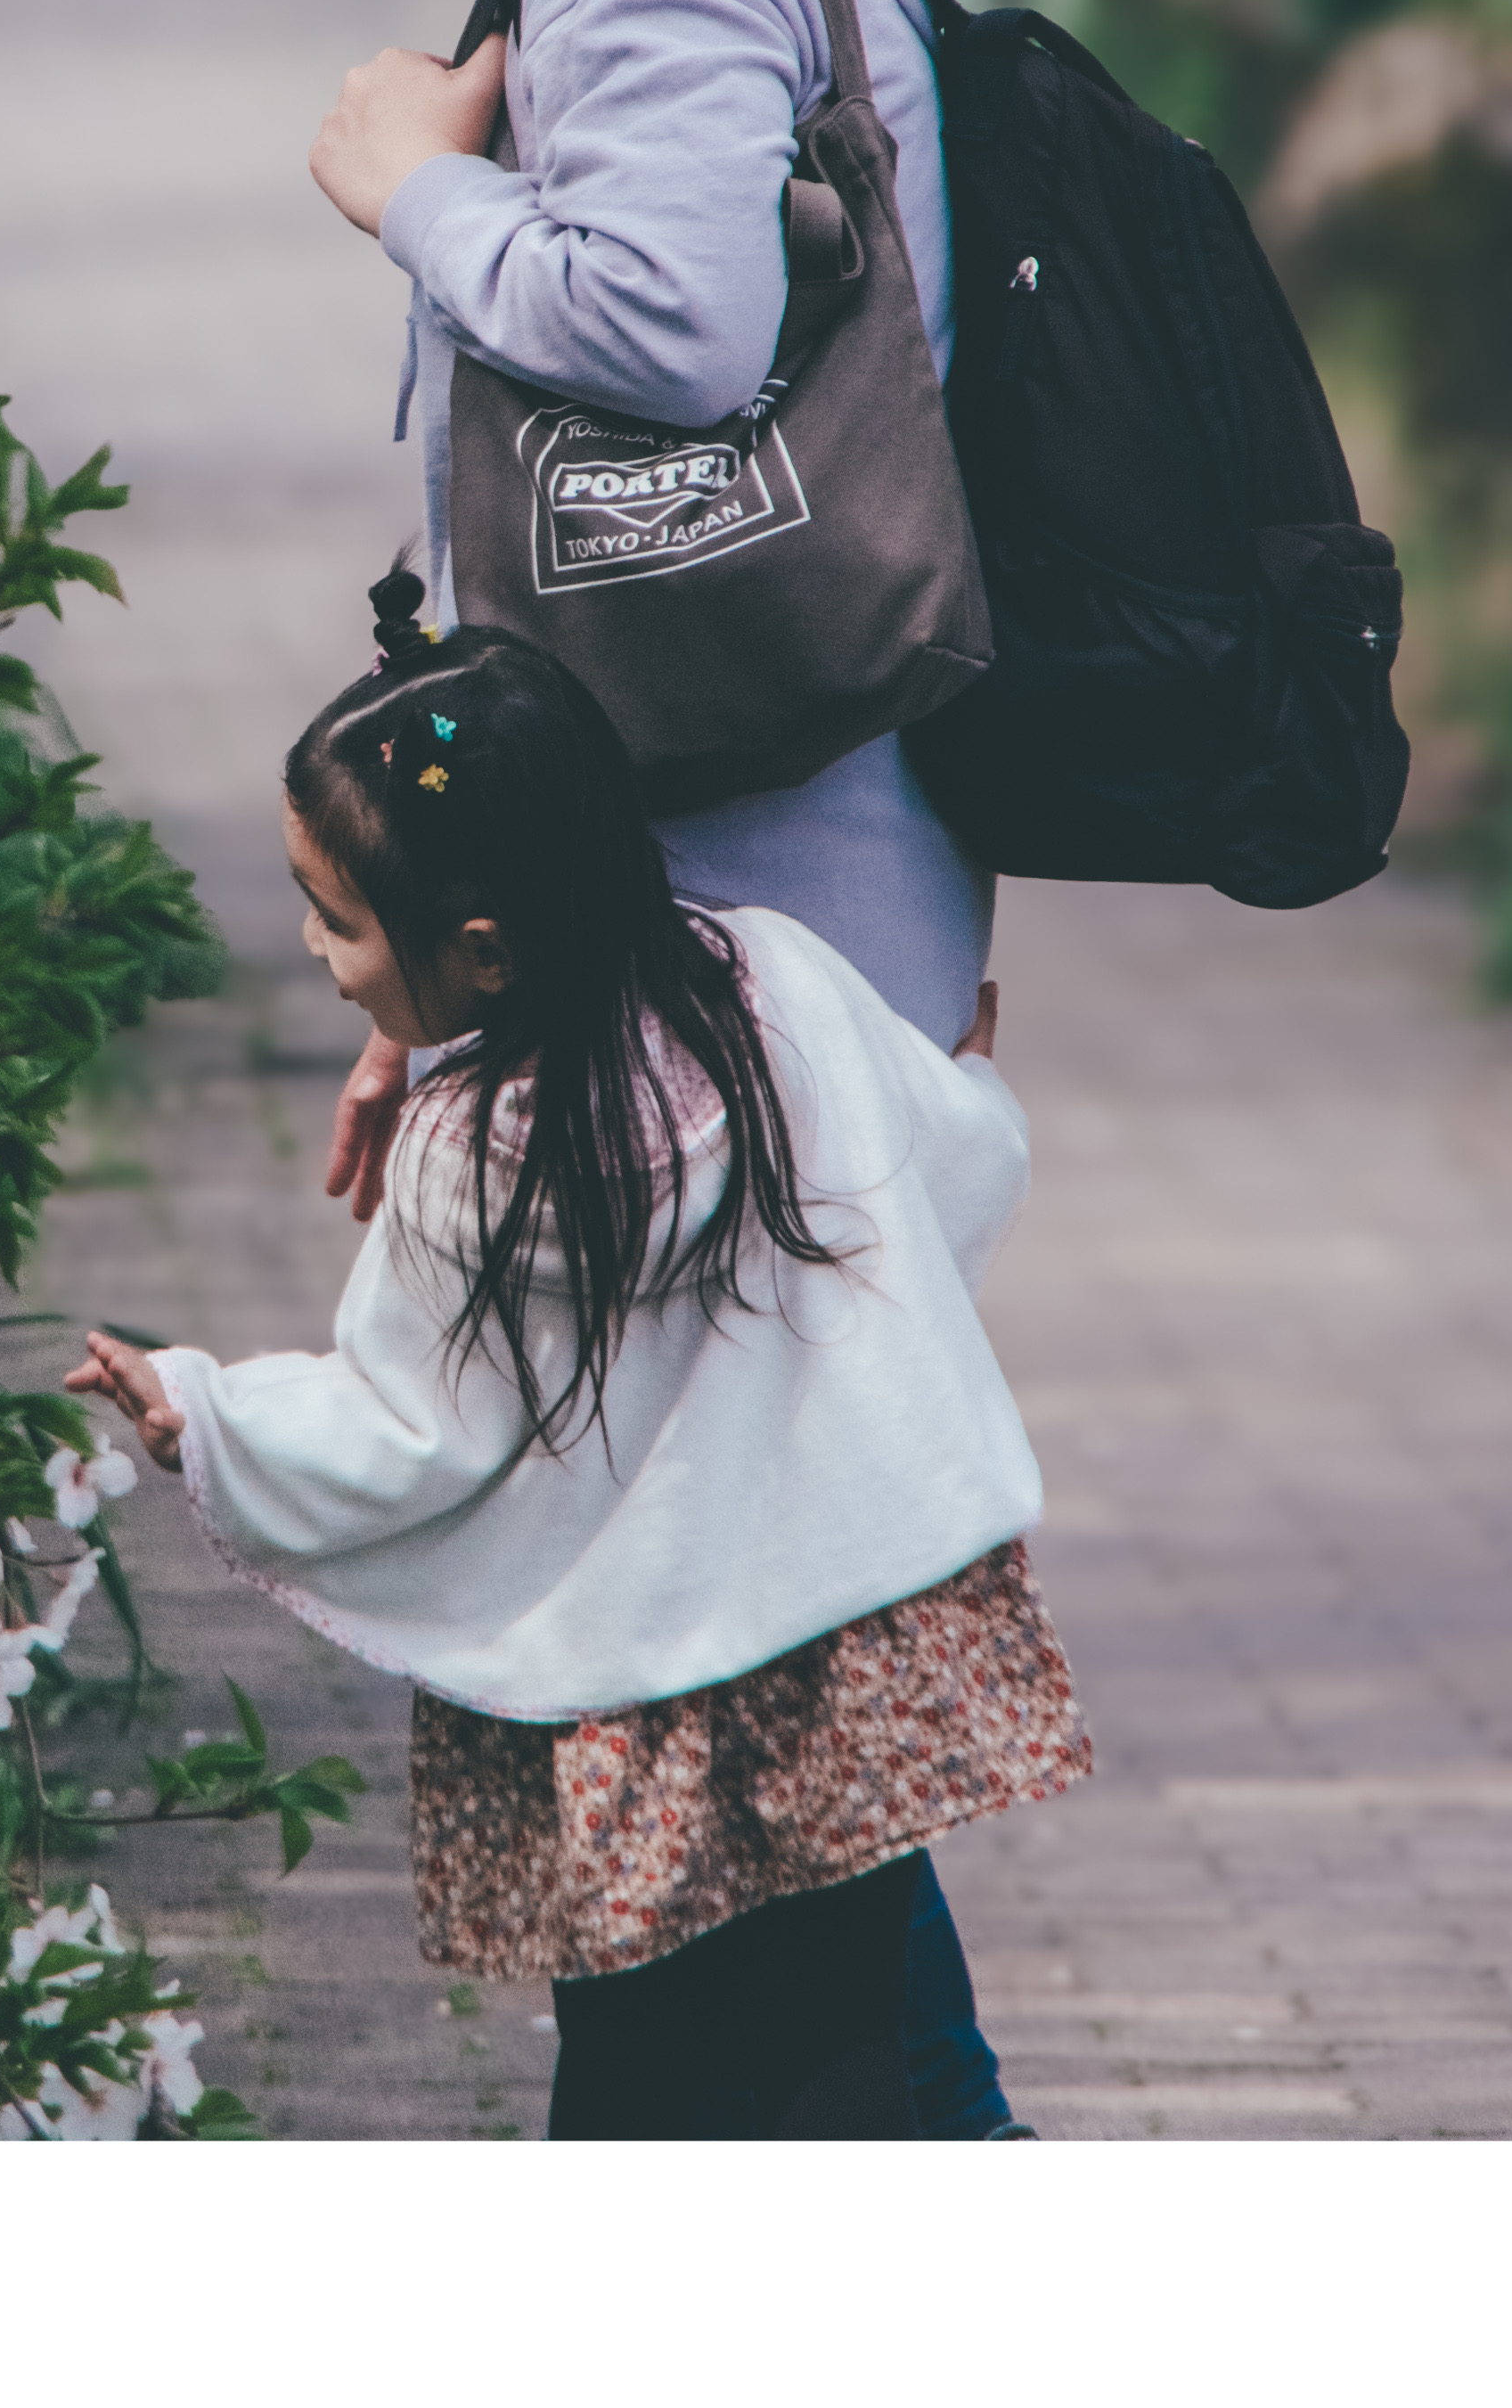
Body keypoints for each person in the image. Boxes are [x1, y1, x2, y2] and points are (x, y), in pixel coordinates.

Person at [136, 0, 1030, 2121]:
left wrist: (404, 183)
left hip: (739, 851)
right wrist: (462, 984)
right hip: (747, 865)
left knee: (705, 1667)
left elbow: (668, 325)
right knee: (731, 1690)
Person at [63, 597, 1085, 2137]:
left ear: (480, 952)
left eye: (336, 920)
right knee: (850, 2028)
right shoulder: (772, 987)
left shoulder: (469, 1164)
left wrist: (206, 1416)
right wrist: (977, 1094)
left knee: (635, 2057)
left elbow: (412, 1428)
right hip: (842, 1654)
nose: (319, 957)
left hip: (627, 1698)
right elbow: (930, 1173)